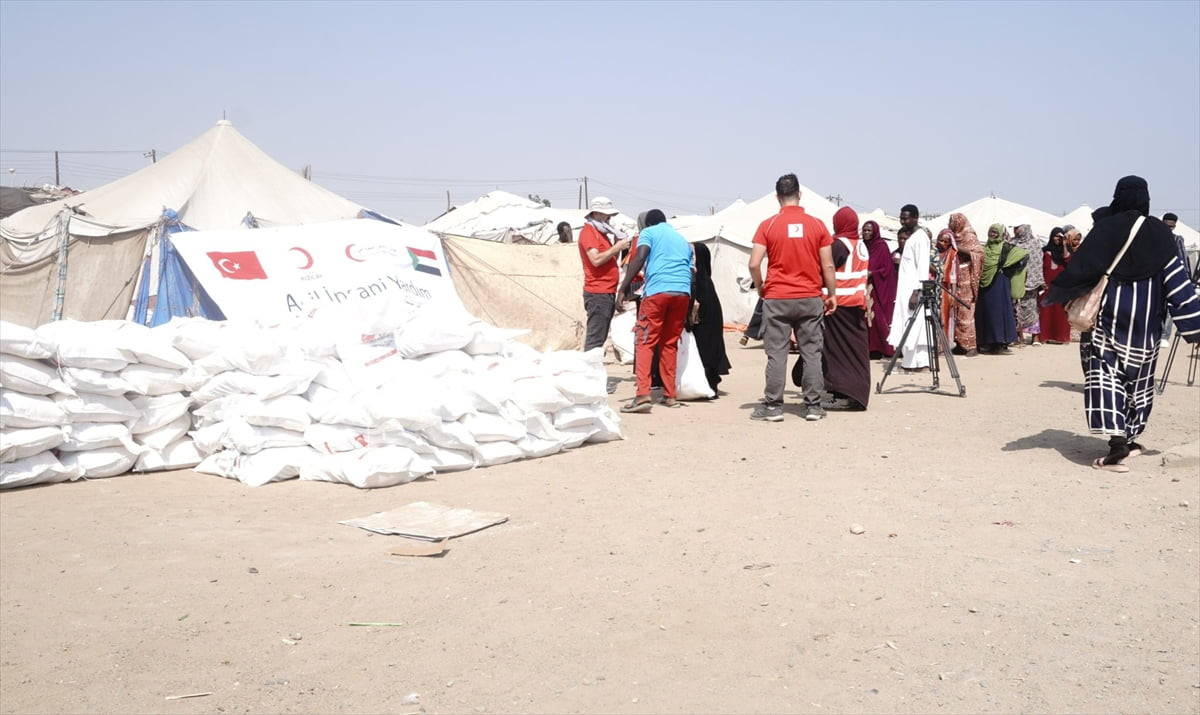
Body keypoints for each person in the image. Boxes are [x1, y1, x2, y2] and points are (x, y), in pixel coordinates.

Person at [1044, 175, 1200, 472]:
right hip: (1145, 326)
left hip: (1108, 319)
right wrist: (1194, 324)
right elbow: (1178, 283)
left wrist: (1061, 296)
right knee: (1139, 383)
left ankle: (1117, 447)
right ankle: (1128, 440)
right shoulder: (1160, 234)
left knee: (1107, 378)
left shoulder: (1105, 229)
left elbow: (1080, 270)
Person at [747, 173, 837, 422]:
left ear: (777, 197)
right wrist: (831, 294)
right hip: (810, 296)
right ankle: (813, 406)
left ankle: (774, 406)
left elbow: (754, 263)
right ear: (800, 194)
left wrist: (760, 287)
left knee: (777, 353)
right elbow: (827, 265)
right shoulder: (817, 225)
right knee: (811, 353)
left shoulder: (768, 225)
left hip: (777, 297)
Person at [792, 205, 871, 411]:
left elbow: (823, 269)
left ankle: (843, 393)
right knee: (853, 353)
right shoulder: (860, 245)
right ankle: (851, 393)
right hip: (855, 307)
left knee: (835, 354)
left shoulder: (839, 245)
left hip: (838, 307)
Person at [616, 209, 693, 412]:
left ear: (647, 224)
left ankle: (642, 395)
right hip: (682, 293)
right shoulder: (682, 240)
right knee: (669, 344)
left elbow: (640, 257)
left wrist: (623, 288)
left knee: (644, 341)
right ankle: (670, 396)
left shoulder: (649, 233)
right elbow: (691, 272)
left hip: (658, 291)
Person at [578, 197, 631, 352]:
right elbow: (595, 259)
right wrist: (617, 247)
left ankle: (592, 369)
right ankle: (588, 372)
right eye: (606, 214)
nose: (609, 218)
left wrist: (616, 245)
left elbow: (609, 260)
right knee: (595, 339)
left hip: (606, 291)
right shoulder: (589, 232)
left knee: (599, 337)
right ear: (596, 213)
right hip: (597, 292)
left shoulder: (602, 234)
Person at [887, 205, 933, 371]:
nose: (903, 221)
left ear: (915, 218)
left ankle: (917, 363)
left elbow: (923, 267)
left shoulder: (920, 237)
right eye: (901, 218)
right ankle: (913, 362)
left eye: (906, 218)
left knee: (914, 324)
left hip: (914, 290)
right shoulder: (911, 237)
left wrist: (917, 291)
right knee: (909, 324)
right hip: (906, 288)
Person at [976, 224, 1028, 354]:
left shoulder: (1005, 248)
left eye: (995, 232)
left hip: (999, 283)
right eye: (991, 232)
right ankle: (987, 342)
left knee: (998, 312)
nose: (992, 234)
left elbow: (1024, 255)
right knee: (986, 312)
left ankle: (999, 343)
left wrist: (1006, 268)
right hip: (985, 285)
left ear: (1000, 233)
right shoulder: (984, 248)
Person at [689, 243, 731, 394]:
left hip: (701, 321)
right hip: (711, 318)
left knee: (701, 349)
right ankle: (710, 383)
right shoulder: (707, 282)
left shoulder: (694, 280)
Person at [947, 212, 984, 356]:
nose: (949, 224)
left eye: (951, 222)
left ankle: (971, 346)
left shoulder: (969, 237)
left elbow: (979, 254)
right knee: (954, 311)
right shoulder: (952, 236)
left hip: (967, 277)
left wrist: (957, 248)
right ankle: (959, 344)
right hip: (954, 277)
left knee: (966, 312)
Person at [861, 219, 896, 359]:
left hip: (876, 288)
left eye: (869, 230)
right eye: (864, 230)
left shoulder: (881, 247)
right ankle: (867, 348)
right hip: (863, 287)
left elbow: (887, 269)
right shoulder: (861, 246)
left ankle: (881, 349)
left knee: (876, 318)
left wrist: (872, 273)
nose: (866, 233)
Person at [1160, 212, 1191, 347]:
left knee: (1169, 308)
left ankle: (1165, 335)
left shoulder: (1177, 240)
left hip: (1171, 277)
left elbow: (1183, 259)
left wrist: (1186, 278)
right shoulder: (1155, 238)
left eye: (1171, 227)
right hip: (1158, 277)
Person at [1012, 224, 1045, 345]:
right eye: (1014, 228)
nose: (1015, 230)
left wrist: (1037, 279)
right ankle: (1016, 336)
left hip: (1032, 282)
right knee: (1016, 309)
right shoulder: (1012, 242)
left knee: (1032, 309)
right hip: (1016, 280)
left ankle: (1035, 336)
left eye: (1017, 227)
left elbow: (1037, 262)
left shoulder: (1035, 243)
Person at [1038, 227, 1072, 344]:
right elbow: (1038, 268)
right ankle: (1045, 336)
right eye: (1056, 236)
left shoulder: (1065, 252)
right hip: (1046, 286)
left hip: (1060, 287)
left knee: (1060, 312)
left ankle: (1060, 337)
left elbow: (1068, 260)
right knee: (1046, 312)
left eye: (1060, 237)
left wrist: (1064, 244)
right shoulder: (1045, 251)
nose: (1058, 239)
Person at [934, 228, 958, 348]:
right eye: (940, 240)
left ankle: (943, 345)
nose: (942, 243)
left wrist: (953, 294)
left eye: (945, 242)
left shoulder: (952, 254)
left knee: (944, 316)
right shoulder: (933, 252)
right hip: (934, 287)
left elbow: (953, 276)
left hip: (945, 289)